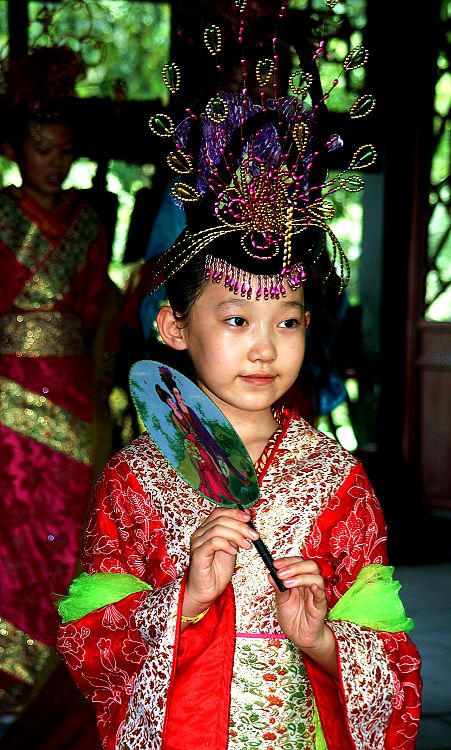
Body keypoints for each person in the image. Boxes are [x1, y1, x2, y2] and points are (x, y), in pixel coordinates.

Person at [56, 6, 422, 749]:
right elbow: (90, 653)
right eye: (234, 320)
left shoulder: (336, 480)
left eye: (286, 321)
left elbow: (395, 669)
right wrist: (184, 599)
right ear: (172, 326)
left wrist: (322, 642)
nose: (264, 348)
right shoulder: (134, 479)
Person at [0, 46, 114, 723]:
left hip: (73, 394)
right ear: (15, 148)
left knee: (69, 525)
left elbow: (99, 311)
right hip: (6, 387)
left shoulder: (92, 221)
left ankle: (64, 662)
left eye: (64, 148)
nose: (55, 161)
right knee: (11, 522)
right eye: (42, 147)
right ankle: (11, 671)